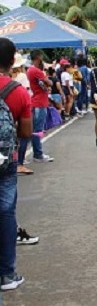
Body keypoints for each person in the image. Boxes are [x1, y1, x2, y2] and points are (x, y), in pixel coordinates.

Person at [0, 38, 33, 290]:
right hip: (5, 162)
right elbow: (25, 132)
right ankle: (7, 274)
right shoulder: (18, 91)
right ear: (12, 61)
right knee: (6, 213)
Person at [23, 50, 54, 165]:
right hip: (40, 102)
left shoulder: (30, 70)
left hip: (37, 101)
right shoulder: (36, 71)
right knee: (38, 130)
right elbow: (49, 82)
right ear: (38, 57)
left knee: (36, 129)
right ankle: (38, 154)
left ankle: (36, 153)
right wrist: (47, 79)